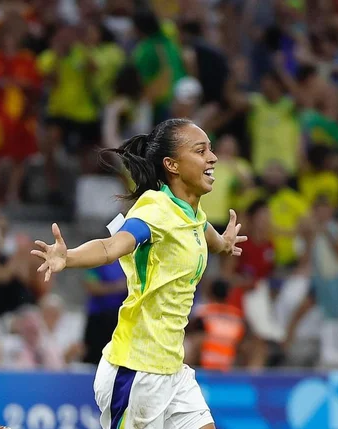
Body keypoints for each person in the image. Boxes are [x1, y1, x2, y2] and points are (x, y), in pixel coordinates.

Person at [31, 118, 247, 429]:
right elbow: (111, 246)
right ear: (172, 165)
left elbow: (205, 233)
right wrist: (70, 257)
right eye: (201, 151)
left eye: (210, 150)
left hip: (172, 369)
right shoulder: (155, 210)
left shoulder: (191, 212)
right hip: (136, 371)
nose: (212, 158)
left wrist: (224, 244)